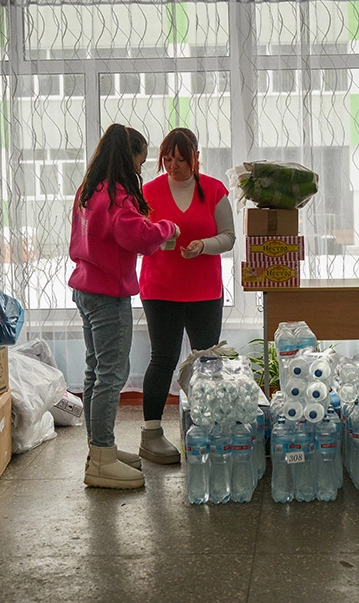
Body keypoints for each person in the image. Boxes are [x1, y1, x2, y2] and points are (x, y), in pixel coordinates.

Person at [69, 123, 179, 489]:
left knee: (94, 372)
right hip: (107, 297)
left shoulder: (89, 189)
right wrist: (168, 229)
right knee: (111, 376)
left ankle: (99, 450)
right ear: (127, 155)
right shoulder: (117, 196)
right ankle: (101, 458)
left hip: (85, 289)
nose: (140, 168)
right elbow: (138, 235)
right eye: (140, 160)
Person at [138, 127, 236, 463]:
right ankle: (151, 433)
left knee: (206, 361)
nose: (174, 165)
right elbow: (136, 238)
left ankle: (208, 428)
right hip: (160, 290)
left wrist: (203, 246)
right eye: (167, 159)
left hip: (204, 292)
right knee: (162, 360)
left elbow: (229, 237)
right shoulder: (148, 191)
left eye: (181, 159)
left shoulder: (213, 189)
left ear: (195, 157)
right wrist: (154, 240)